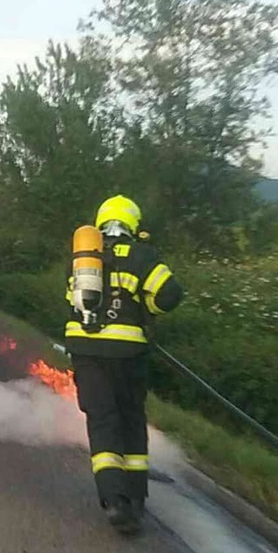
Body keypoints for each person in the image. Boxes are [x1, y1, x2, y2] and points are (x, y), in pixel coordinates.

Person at [65, 195, 183, 535]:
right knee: (130, 421)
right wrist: (146, 308)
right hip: (128, 355)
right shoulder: (143, 256)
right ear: (133, 224)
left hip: (86, 351)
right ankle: (135, 499)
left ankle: (113, 501)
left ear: (100, 223)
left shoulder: (82, 259)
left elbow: (70, 301)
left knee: (102, 422)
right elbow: (169, 295)